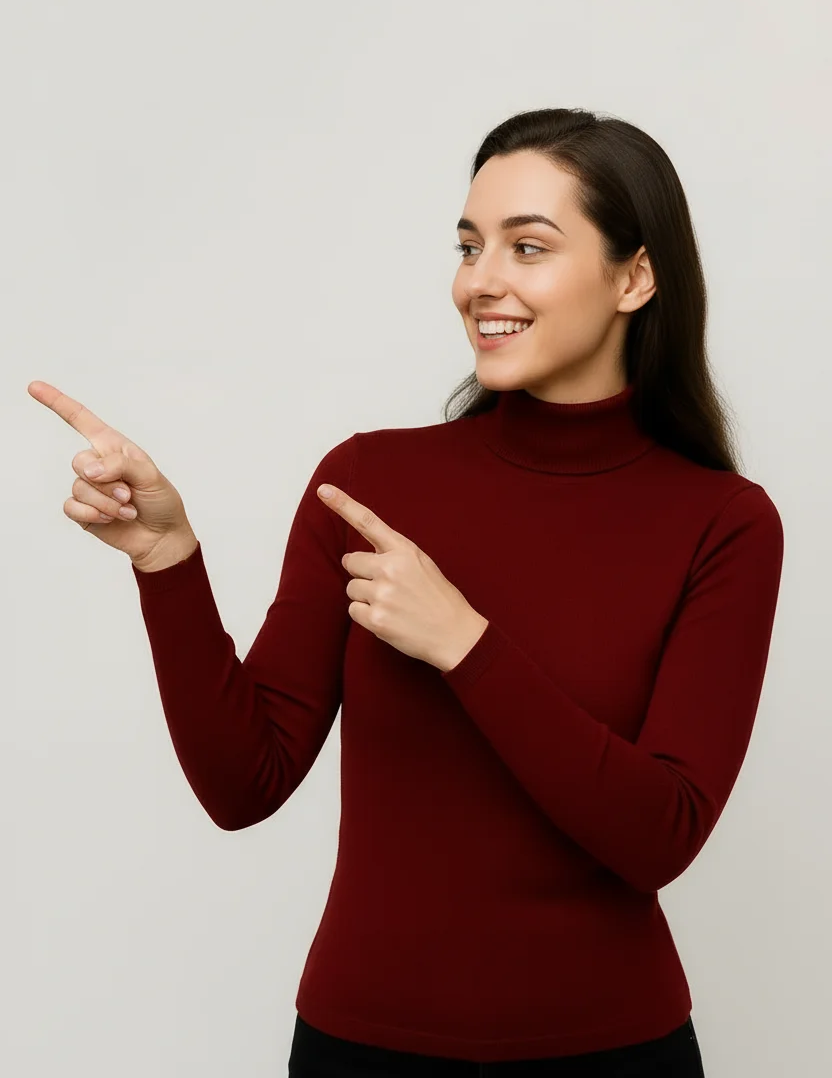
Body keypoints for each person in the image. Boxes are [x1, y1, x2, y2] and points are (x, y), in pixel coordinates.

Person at [31, 107, 783, 1076]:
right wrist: (167, 561)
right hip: (361, 1048)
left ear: (634, 277)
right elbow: (243, 784)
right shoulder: (369, 483)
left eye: (527, 246)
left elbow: (659, 836)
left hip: (612, 1051)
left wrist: (464, 644)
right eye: (470, 246)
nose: (480, 281)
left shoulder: (722, 522)